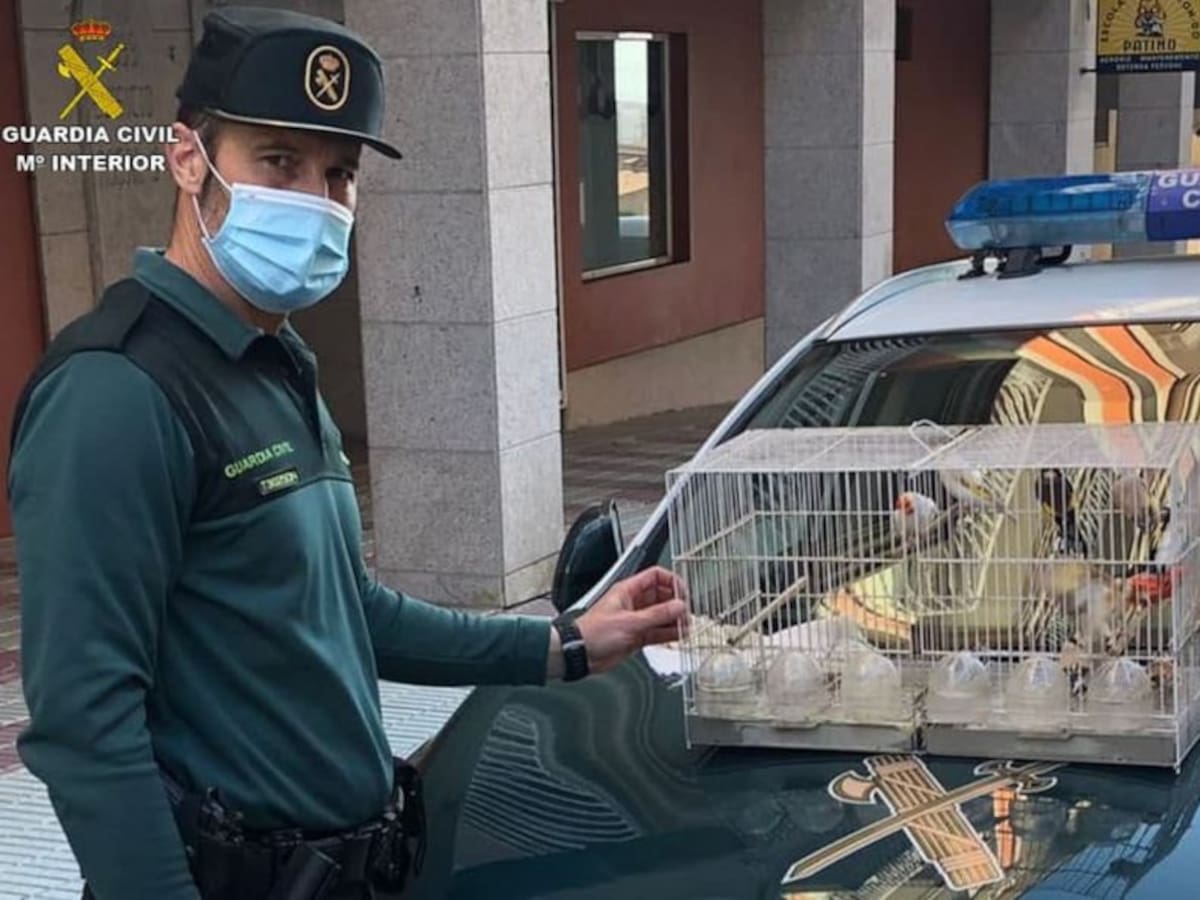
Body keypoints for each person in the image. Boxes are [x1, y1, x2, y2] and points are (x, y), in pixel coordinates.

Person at [5, 7, 687, 899]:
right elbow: (86, 727)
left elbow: (348, 612)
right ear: (187, 159)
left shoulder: (274, 361)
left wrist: (565, 644)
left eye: (338, 174)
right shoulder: (117, 390)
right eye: (278, 161)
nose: (315, 200)